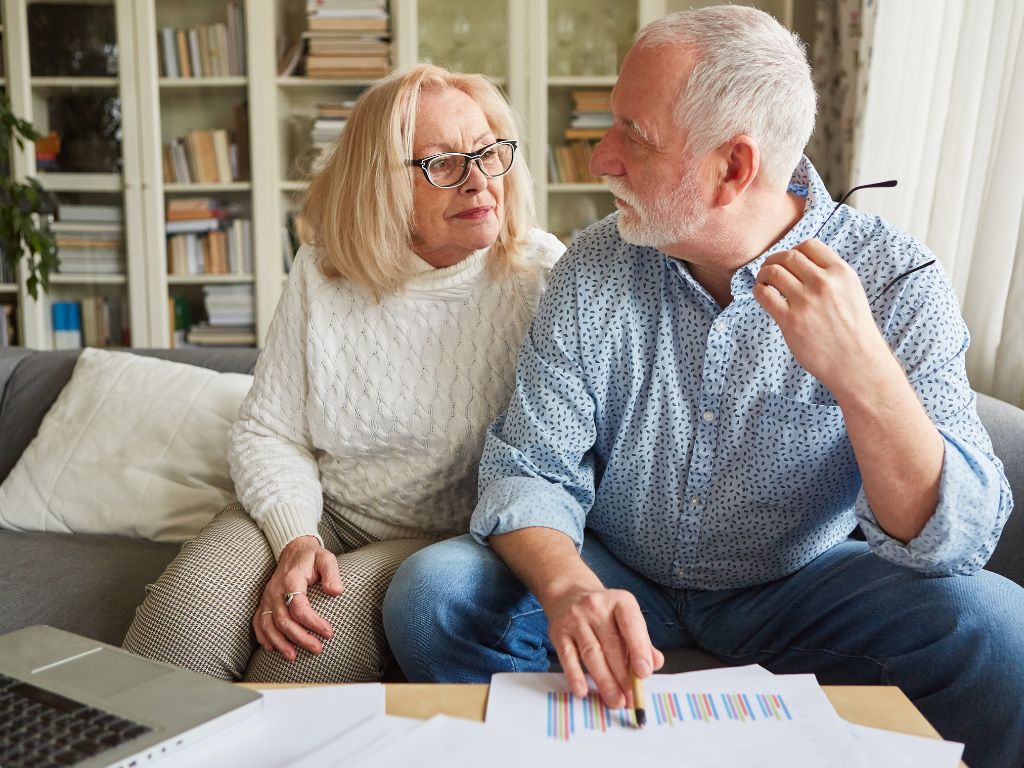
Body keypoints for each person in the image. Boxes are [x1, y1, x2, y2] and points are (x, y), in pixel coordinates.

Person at [381, 9, 1024, 768]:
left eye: (634, 135)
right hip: (618, 571)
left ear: (734, 167)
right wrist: (567, 589)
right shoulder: (592, 270)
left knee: (999, 631)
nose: (600, 160)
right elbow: (529, 467)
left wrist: (864, 375)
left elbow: (958, 540)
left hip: (804, 582)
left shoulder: (895, 280)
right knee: (431, 597)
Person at [122, 63, 565, 684]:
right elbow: (270, 432)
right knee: (186, 613)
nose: (478, 181)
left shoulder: (542, 276)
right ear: (380, 184)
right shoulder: (323, 267)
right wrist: (296, 539)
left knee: (300, 649)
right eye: (442, 163)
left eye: (489, 152)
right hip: (326, 511)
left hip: (444, 542)